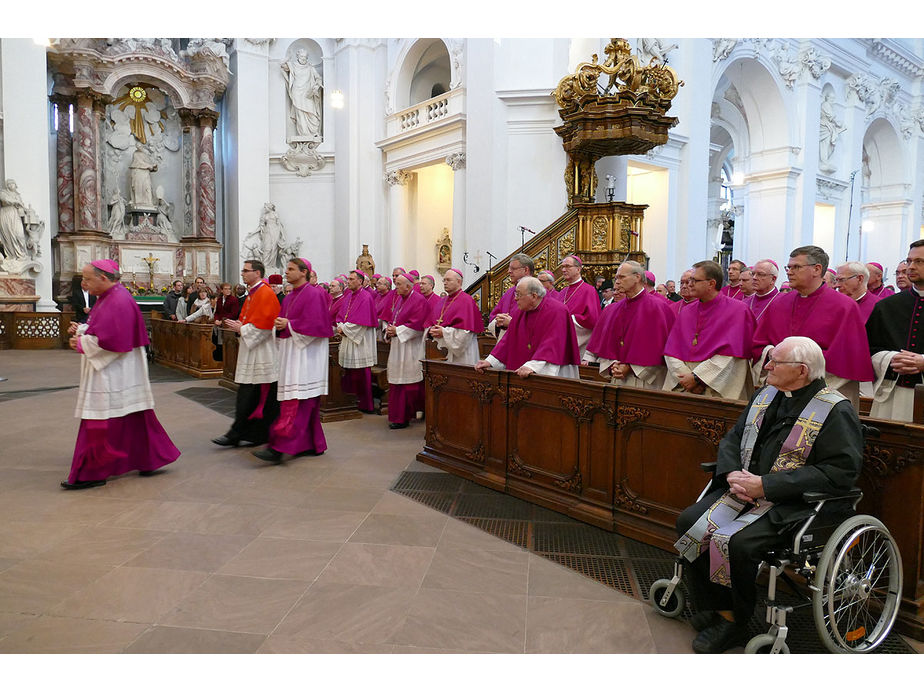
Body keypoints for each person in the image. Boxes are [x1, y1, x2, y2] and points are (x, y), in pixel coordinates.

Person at [675, 336, 862, 653]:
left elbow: (840, 472)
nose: (767, 366)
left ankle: (734, 621)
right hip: (742, 490)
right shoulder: (766, 395)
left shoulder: (835, 410)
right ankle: (714, 607)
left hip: (791, 504)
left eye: (776, 361)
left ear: (801, 370)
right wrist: (732, 473)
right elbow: (734, 438)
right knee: (690, 522)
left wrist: (767, 486)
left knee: (734, 542)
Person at [63, 260, 180, 489]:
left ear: (104, 278)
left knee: (101, 421)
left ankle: (92, 472)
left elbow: (112, 343)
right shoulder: (110, 297)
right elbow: (103, 328)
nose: (84, 284)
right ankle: (149, 458)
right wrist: (82, 329)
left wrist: (80, 343)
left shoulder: (117, 301)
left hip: (113, 372)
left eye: (87, 279)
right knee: (133, 417)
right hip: (121, 371)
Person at [752, 245, 874, 405]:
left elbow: (846, 357)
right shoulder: (779, 303)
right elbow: (758, 345)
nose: (789, 272)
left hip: (825, 391)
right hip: (778, 390)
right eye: (788, 267)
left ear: (817, 269)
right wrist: (773, 353)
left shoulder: (844, 306)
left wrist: (800, 368)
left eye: (796, 267)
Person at [254, 258, 332, 463]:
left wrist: (288, 324)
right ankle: (314, 444)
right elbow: (285, 322)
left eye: (290, 269)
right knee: (306, 403)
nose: (285, 272)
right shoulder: (289, 296)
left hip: (308, 357)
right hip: (292, 352)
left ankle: (278, 448)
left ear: (304, 272)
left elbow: (317, 326)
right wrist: (280, 325)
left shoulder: (315, 294)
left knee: (298, 403)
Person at [663, 260, 756, 400]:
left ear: (711, 284)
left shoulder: (738, 310)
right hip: (684, 386)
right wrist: (685, 378)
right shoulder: (687, 311)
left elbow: (732, 355)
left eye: (694, 280)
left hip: (719, 387)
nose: (689, 284)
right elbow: (671, 350)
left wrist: (698, 378)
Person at [212, 260, 281, 447]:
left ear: (257, 273)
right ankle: (246, 433)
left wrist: (242, 328)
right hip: (252, 349)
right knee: (249, 395)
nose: (242, 273)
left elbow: (265, 326)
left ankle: (241, 433)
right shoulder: (254, 293)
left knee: (253, 395)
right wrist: (241, 327)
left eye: (246, 270)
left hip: (261, 351)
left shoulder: (265, 293)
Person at [584, 261, 676, 390]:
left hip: (646, 382)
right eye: (616, 278)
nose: (617, 282)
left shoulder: (658, 307)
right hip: (618, 380)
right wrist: (612, 365)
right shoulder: (613, 309)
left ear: (637, 277)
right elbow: (606, 347)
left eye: (621, 277)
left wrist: (631, 368)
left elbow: (661, 349)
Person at [475, 276, 580, 379]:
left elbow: (552, 344)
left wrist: (532, 366)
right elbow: (508, 339)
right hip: (524, 370)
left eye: (519, 294)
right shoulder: (520, 311)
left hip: (552, 370)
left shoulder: (557, 311)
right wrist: (490, 361)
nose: (515, 298)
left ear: (534, 296)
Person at [865, 240, 924, 422]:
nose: (910, 267)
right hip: (891, 394)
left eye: (919, 262)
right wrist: (890, 358)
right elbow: (869, 349)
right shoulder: (887, 306)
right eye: (909, 261)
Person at [385, 273, 430, 429]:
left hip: (410, 347)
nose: (395, 287)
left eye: (398, 284)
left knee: (407, 383)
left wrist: (396, 331)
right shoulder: (399, 299)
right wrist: (390, 330)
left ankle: (404, 416)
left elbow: (418, 325)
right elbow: (394, 319)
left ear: (408, 286)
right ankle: (397, 415)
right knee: (397, 382)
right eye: (396, 284)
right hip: (398, 346)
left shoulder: (418, 300)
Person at [336, 269, 379, 414]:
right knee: (349, 372)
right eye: (348, 279)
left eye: (351, 279)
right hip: (349, 338)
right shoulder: (348, 296)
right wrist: (341, 326)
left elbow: (362, 322)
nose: (348, 281)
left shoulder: (365, 297)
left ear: (360, 281)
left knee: (362, 373)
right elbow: (341, 316)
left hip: (361, 341)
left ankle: (366, 404)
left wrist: (344, 328)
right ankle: (349, 402)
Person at [426, 268, 484, 365]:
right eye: (444, 280)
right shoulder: (442, 302)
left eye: (448, 280)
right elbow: (432, 323)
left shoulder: (467, 301)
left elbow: (465, 333)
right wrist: (431, 330)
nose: (445, 283)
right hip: (442, 352)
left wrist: (443, 332)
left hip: (464, 354)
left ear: (459, 281)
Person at [554, 255, 601, 353]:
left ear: (578, 269)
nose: (563, 270)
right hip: (558, 342)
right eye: (562, 266)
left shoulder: (589, 290)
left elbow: (592, 320)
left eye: (567, 266)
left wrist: (568, 320)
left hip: (578, 345)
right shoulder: (563, 291)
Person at [487, 253, 534, 338]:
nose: (509, 271)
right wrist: (498, 322)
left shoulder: (537, 292)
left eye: (513, 268)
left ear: (526, 270)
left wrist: (511, 323)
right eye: (509, 268)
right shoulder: (509, 292)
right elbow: (494, 316)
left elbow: (538, 325)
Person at [280, 47, 323, 140]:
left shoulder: (310, 67)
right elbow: (282, 65)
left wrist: (317, 84)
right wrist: (288, 57)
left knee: (312, 113)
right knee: (300, 114)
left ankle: (313, 132)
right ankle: (304, 134)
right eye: (301, 56)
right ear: (298, 56)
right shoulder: (293, 65)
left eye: (305, 57)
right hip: (297, 93)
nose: (303, 58)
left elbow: (318, 77)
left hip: (308, 94)